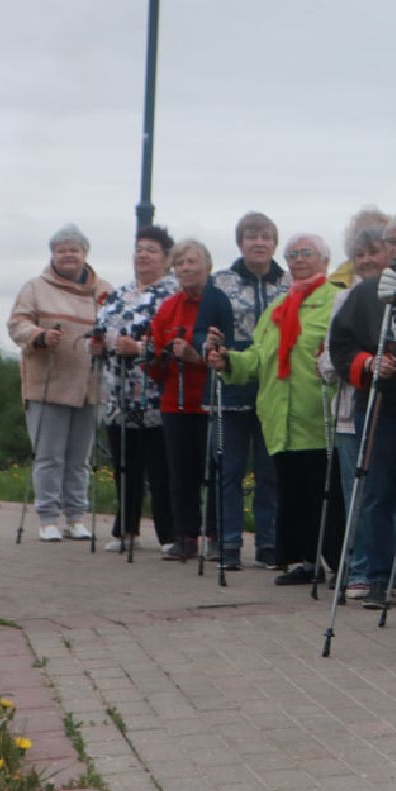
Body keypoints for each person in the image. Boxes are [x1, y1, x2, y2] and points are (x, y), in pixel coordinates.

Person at [207, 233, 344, 585]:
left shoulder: (335, 301)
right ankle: (306, 560)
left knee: (323, 494)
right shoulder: (277, 309)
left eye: (306, 253)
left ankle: (339, 562)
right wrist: (228, 361)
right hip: (280, 417)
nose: (298, 259)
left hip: (318, 415)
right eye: (293, 254)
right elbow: (257, 356)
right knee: (293, 494)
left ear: (324, 260)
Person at [327, 211, 396, 610]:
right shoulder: (365, 293)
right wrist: (369, 364)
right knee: (378, 493)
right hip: (381, 404)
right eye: (393, 242)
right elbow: (340, 346)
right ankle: (375, 576)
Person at [7, 225, 113, 542]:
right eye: (62, 250)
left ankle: (76, 516)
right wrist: (39, 336)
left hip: (88, 384)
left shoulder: (103, 289)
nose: (68, 255)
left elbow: (116, 326)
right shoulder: (35, 288)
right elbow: (17, 324)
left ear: (85, 254)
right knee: (49, 456)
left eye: (74, 249)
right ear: (53, 254)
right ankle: (49, 517)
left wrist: (104, 343)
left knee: (80, 458)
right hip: (49, 383)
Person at [146, 240, 234, 564]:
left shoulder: (219, 303)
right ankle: (185, 535)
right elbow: (153, 357)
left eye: (192, 261)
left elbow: (228, 351)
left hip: (210, 399)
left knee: (213, 467)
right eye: (180, 262)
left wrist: (196, 356)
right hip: (174, 401)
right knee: (180, 470)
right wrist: (158, 355)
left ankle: (215, 535)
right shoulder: (168, 307)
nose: (185, 267)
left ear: (207, 265)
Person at [212, 212, 289, 568]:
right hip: (231, 388)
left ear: (274, 242)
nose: (259, 243)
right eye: (251, 237)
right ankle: (227, 542)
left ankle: (270, 543)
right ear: (240, 243)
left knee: (270, 472)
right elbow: (206, 326)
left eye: (265, 236)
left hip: (274, 388)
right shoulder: (221, 282)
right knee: (229, 470)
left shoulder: (288, 283)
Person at [95, 225, 178, 552]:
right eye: (139, 249)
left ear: (166, 258)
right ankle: (125, 530)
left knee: (159, 467)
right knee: (124, 465)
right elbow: (102, 327)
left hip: (155, 392)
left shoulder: (172, 295)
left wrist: (141, 349)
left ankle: (169, 534)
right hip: (117, 392)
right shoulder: (119, 293)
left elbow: (172, 338)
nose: (143, 255)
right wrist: (100, 344)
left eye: (152, 250)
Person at [321, 212, 390, 599]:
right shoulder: (344, 297)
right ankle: (359, 567)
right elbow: (331, 357)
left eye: (373, 252)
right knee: (357, 494)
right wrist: (360, 363)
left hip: (394, 410)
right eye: (359, 254)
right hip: (351, 411)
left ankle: (391, 568)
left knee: (391, 495)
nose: (366, 260)